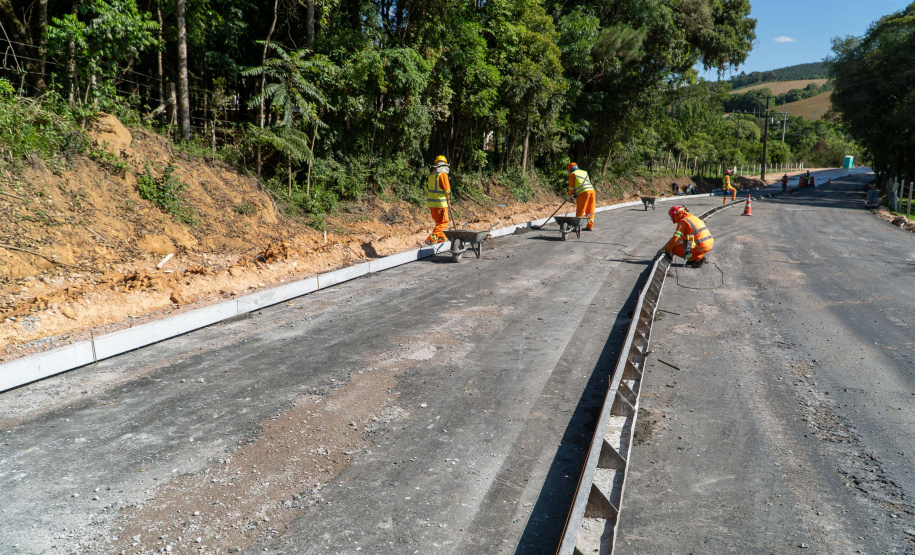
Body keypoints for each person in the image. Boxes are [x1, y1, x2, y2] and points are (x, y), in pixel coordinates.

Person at [425, 155, 451, 245]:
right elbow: (447, 190)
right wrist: (448, 199)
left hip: (432, 204)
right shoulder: (443, 174)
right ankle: (431, 238)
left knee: (439, 223)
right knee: (444, 222)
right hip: (440, 203)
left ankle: (442, 239)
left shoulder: (432, 175)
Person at [567, 162, 595, 231]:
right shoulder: (584, 172)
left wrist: (569, 195)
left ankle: (576, 227)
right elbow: (583, 183)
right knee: (590, 209)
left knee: (580, 210)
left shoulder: (573, 174)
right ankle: (590, 226)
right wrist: (576, 193)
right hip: (592, 191)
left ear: (570, 169)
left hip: (584, 193)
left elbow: (571, 188)